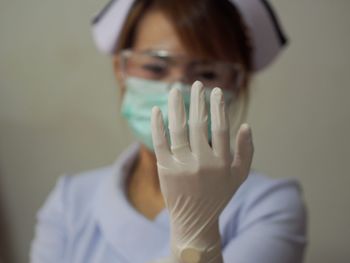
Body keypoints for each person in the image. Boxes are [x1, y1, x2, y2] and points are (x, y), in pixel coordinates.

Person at [30, 0, 307, 262]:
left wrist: (199, 242)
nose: (177, 90)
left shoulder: (268, 206)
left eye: (207, 73)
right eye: (155, 67)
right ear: (121, 69)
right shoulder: (69, 202)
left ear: (236, 84)